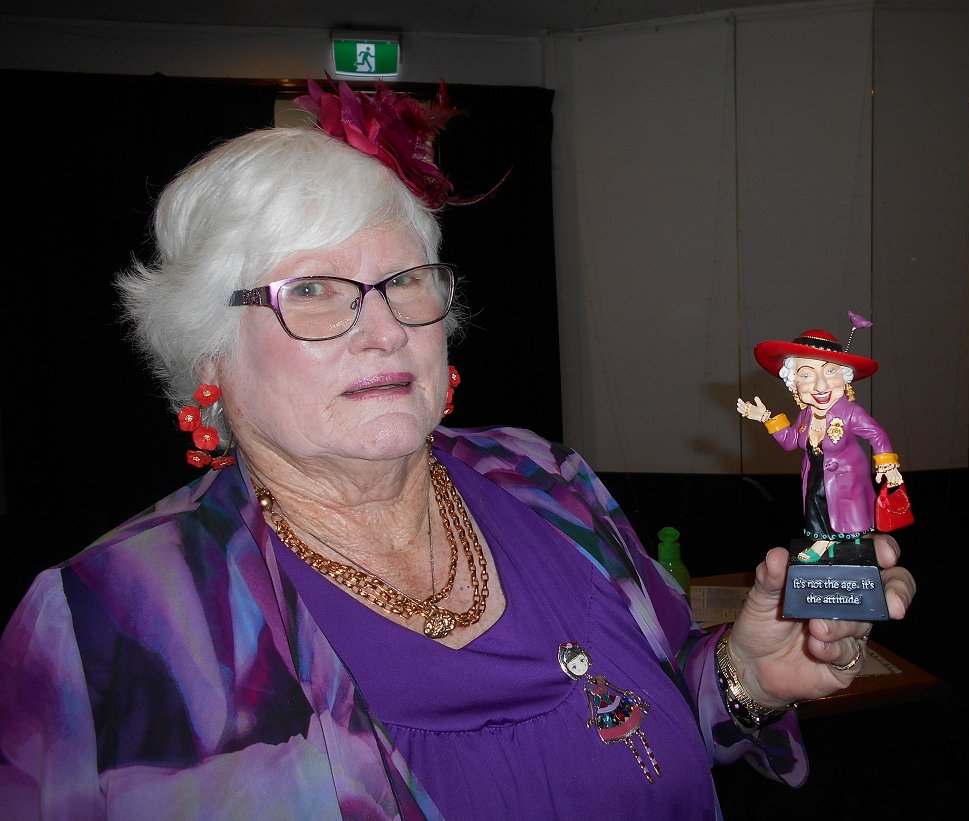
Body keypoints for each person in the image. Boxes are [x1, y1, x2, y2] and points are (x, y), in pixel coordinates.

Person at [0, 81, 915, 819]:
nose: (383, 329)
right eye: (312, 290)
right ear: (208, 352)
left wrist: (747, 675)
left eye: (404, 280)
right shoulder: (105, 622)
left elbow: (665, 719)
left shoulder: (547, 481)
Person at [737, 323, 904, 563]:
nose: (820, 386)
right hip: (815, 472)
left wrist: (887, 464)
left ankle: (828, 541)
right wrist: (766, 418)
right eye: (806, 375)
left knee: (836, 509)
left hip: (846, 479)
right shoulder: (806, 415)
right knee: (816, 504)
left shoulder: (850, 413)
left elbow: (876, 434)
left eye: (830, 372)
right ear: (794, 384)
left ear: (844, 378)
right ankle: (824, 538)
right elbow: (790, 441)